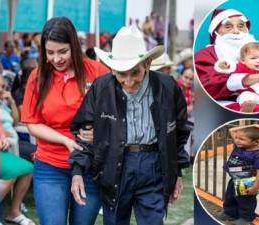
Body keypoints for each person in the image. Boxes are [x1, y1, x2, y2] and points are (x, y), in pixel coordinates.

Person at [69, 26, 191, 225]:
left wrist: (177, 173)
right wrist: (77, 171)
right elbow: (84, 133)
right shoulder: (101, 87)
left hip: (154, 165)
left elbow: (179, 133)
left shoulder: (167, 86)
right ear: (111, 68)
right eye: (120, 74)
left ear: (147, 63)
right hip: (114, 164)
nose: (128, 81)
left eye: (135, 72)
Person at [21, 16, 109, 225]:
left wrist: (101, 130)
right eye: (50, 53)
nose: (56, 59)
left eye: (63, 52)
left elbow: (116, 114)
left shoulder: (97, 72)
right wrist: (65, 140)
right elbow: (32, 123)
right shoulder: (38, 76)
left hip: (91, 165)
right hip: (50, 165)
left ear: (74, 47)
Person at [194, 9, 259, 112]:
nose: (236, 31)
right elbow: (206, 88)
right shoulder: (205, 55)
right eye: (228, 27)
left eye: (241, 26)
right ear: (216, 32)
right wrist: (257, 78)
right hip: (227, 104)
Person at [218, 124, 259, 225]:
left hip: (247, 182)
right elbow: (232, 130)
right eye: (237, 138)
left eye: (241, 139)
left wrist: (256, 186)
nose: (237, 140)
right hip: (234, 179)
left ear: (256, 141)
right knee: (230, 197)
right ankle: (230, 213)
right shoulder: (240, 146)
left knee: (246, 202)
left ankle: (246, 218)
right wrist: (253, 125)